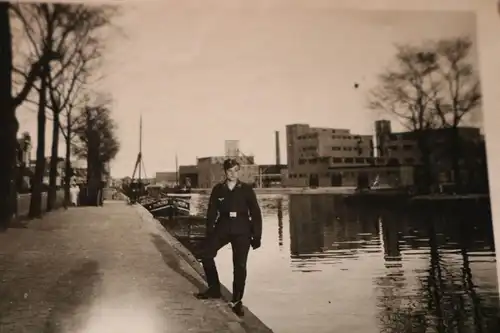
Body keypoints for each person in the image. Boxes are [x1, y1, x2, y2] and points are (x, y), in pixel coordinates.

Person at [196, 158, 262, 317]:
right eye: (229, 171)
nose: (232, 174)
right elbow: (211, 212)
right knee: (206, 254)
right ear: (225, 172)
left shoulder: (246, 189)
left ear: (239, 171)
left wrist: (257, 236)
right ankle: (214, 289)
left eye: (235, 170)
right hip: (223, 226)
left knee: (239, 265)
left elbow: (256, 213)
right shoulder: (218, 189)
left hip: (242, 229)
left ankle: (237, 301)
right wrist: (209, 231)